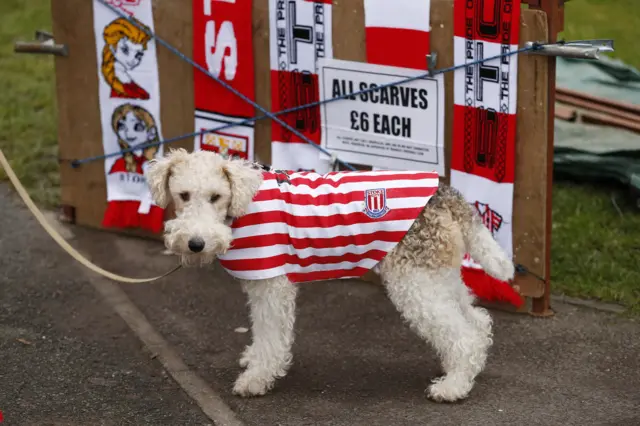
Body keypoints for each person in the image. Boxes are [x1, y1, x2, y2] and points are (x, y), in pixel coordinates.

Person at [101, 17, 152, 100]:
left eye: (138, 55)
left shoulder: (133, 87)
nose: (132, 59)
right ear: (113, 48)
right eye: (125, 50)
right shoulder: (119, 88)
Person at [108, 103, 159, 175]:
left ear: (151, 132)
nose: (128, 133)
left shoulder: (158, 163)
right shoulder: (119, 165)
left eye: (137, 127)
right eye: (122, 127)